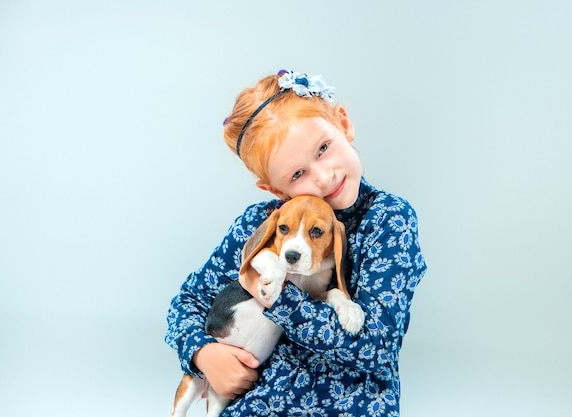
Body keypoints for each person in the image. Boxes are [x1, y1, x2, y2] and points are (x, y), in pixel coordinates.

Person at [165, 69, 427, 416]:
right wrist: (203, 354)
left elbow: (376, 347)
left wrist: (275, 292)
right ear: (275, 190)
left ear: (343, 124)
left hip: (351, 407)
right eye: (296, 174)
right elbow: (188, 301)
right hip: (256, 405)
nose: (323, 176)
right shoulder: (261, 223)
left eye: (323, 148)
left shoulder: (388, 220)